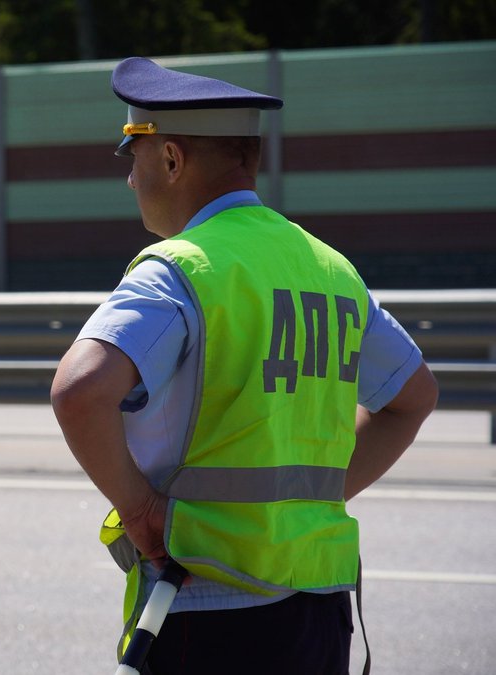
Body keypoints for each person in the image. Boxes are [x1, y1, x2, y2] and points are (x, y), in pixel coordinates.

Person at [50, 57, 439, 674]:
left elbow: (79, 391)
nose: (130, 179)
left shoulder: (180, 268)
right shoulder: (331, 269)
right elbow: (412, 398)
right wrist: (304, 503)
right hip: (319, 609)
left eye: (135, 157)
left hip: (202, 604)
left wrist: (140, 510)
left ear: (172, 160)